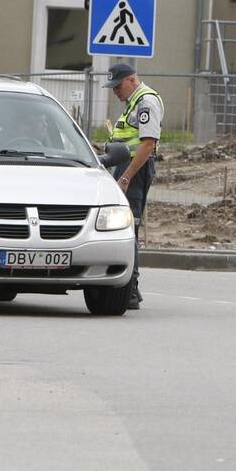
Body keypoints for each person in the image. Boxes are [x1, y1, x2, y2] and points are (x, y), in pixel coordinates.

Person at [103, 62, 164, 310]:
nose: (115, 91)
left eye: (118, 86)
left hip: (135, 170)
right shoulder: (134, 101)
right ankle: (130, 289)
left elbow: (148, 145)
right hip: (127, 167)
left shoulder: (145, 102)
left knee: (129, 230)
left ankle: (130, 290)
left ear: (131, 80)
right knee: (125, 228)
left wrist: (126, 177)